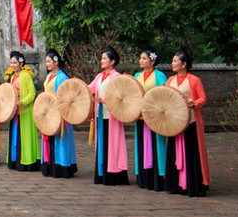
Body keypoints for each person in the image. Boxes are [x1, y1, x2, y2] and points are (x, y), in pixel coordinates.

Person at [164, 48, 210, 197]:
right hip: (174, 121)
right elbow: (165, 96)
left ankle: (192, 184)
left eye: (175, 61)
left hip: (190, 121)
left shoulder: (194, 80)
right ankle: (175, 184)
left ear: (184, 64)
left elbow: (202, 98)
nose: (172, 63)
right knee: (173, 151)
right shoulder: (170, 80)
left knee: (191, 152)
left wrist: (194, 103)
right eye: (172, 61)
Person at [88, 46, 129, 185]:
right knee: (102, 143)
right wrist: (76, 85)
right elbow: (90, 88)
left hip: (113, 115)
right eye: (101, 58)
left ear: (112, 61)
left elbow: (121, 96)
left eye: (104, 58)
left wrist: (104, 100)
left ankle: (114, 173)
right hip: (100, 114)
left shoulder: (117, 77)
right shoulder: (99, 76)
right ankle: (102, 172)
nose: (101, 60)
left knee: (113, 144)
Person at [134, 48, 168, 191]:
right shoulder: (137, 75)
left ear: (152, 60)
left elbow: (164, 94)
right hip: (140, 116)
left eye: (144, 58)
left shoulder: (160, 76)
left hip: (155, 115)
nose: (141, 61)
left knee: (157, 144)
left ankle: (158, 176)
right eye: (140, 58)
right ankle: (143, 176)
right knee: (141, 144)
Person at [40, 49, 77, 178]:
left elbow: (65, 96)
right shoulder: (49, 76)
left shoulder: (62, 77)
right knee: (49, 136)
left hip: (59, 111)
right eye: (46, 62)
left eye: (49, 61)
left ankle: (62, 165)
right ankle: (50, 164)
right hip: (49, 110)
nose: (47, 64)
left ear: (56, 62)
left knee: (61, 138)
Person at [6, 51, 40, 171]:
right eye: (11, 63)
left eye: (14, 63)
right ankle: (15, 159)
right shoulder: (12, 77)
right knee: (16, 134)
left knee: (25, 135)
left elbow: (32, 93)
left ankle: (27, 161)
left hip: (24, 109)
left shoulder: (25, 76)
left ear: (21, 63)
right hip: (15, 110)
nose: (12, 65)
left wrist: (24, 101)